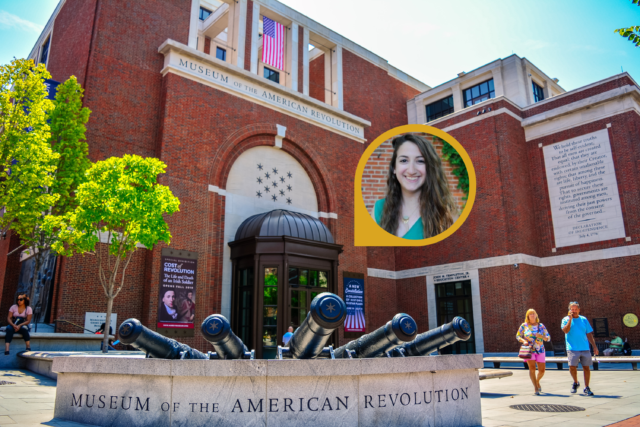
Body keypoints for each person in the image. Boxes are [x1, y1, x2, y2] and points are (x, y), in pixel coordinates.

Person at [374, 133, 456, 240]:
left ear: (429, 168)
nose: (411, 170)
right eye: (404, 160)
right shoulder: (379, 209)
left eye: (420, 161)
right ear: (394, 167)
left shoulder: (445, 214)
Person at [561, 301, 599, 396]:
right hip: (572, 348)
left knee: (586, 367)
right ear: (569, 310)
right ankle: (576, 382)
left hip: (585, 348)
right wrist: (570, 319)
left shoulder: (584, 320)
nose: (573, 311)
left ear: (579, 310)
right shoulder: (565, 319)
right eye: (571, 309)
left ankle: (586, 387)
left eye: (575, 309)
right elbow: (565, 330)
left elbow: (589, 333)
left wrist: (594, 346)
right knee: (572, 367)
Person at [516, 309, 551, 395]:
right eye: (530, 314)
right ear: (527, 316)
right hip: (529, 350)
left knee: (542, 371)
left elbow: (548, 338)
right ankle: (535, 388)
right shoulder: (524, 325)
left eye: (533, 313)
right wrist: (523, 341)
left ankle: (537, 381)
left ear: (536, 315)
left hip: (540, 349)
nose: (532, 315)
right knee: (532, 369)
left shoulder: (541, 326)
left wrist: (542, 336)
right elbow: (517, 336)